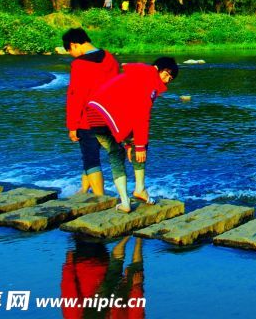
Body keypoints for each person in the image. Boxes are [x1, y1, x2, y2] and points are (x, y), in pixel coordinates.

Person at [85, 58, 179, 213]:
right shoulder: (149, 81)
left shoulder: (137, 75)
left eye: (171, 79)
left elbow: (126, 111)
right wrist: (139, 146)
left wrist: (129, 143)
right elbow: (141, 115)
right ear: (157, 68)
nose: (168, 80)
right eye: (167, 74)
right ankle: (140, 189)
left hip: (94, 115)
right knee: (140, 144)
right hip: (106, 115)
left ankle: (125, 202)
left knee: (116, 153)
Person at [62, 28, 120, 196]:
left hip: (87, 119)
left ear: (74, 45)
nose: (72, 54)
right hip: (108, 116)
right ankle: (84, 189)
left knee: (91, 157)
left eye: (70, 50)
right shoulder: (110, 58)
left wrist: (72, 125)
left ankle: (99, 197)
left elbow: (75, 96)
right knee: (90, 154)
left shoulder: (79, 64)